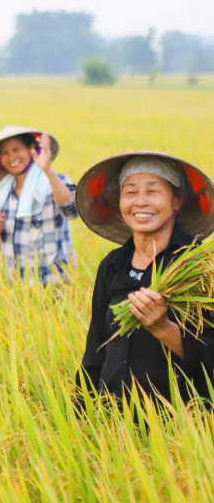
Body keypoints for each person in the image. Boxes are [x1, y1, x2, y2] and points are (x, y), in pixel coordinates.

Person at [74, 152, 214, 404]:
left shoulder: (197, 266)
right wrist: (82, 410)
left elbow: (210, 352)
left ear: (177, 200)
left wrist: (163, 328)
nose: (140, 201)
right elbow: (96, 346)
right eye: (130, 192)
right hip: (112, 421)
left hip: (177, 424)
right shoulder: (112, 264)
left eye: (152, 191)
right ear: (119, 202)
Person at [0, 125, 77, 284]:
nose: (11, 157)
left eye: (16, 149)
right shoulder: (1, 196)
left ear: (31, 149)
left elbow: (72, 210)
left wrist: (48, 170)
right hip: (16, 287)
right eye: (5, 153)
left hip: (55, 284)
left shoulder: (55, 182)